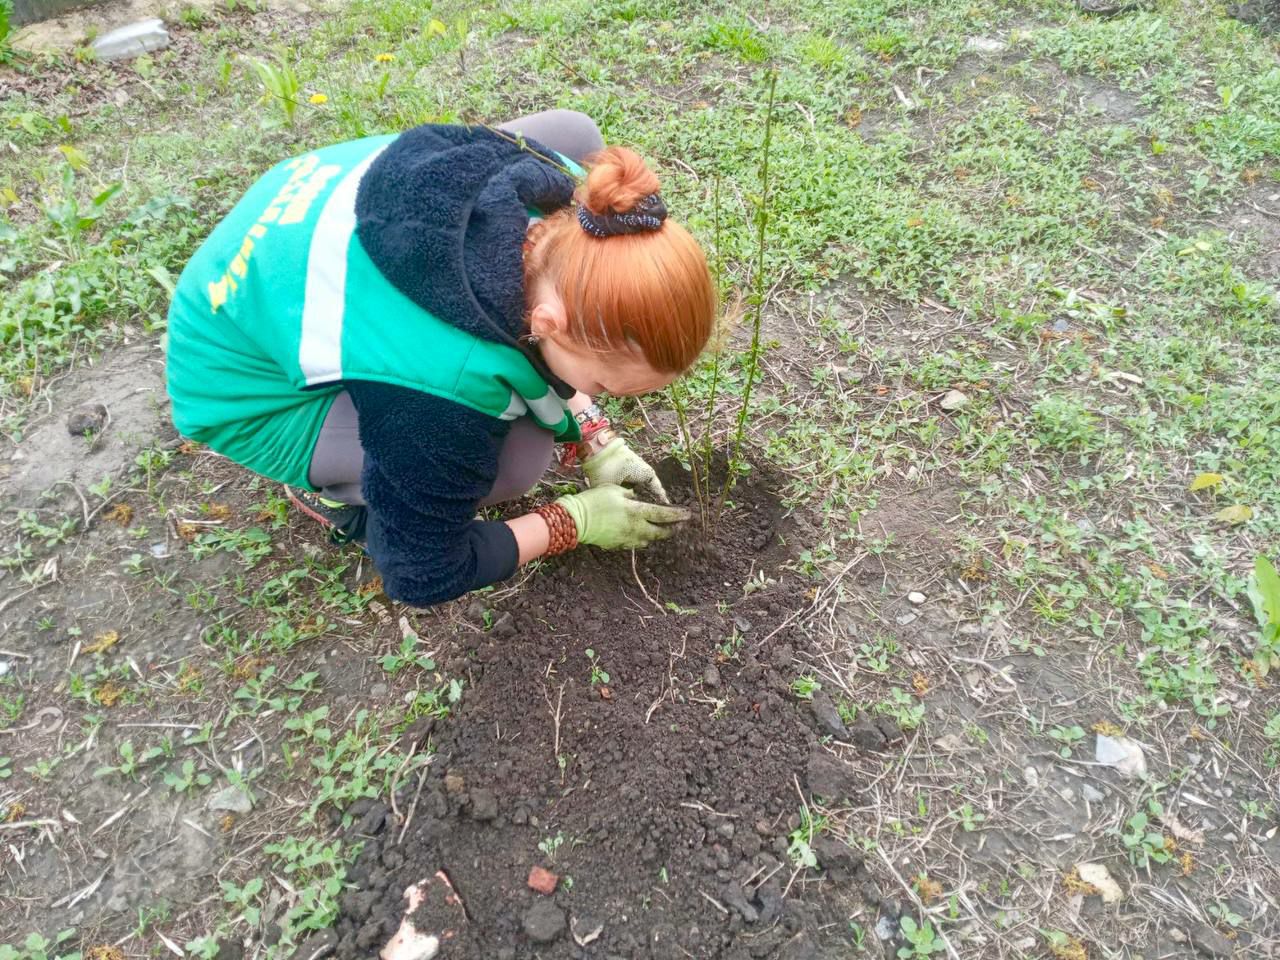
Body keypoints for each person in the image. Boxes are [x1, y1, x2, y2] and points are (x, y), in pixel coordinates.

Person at [165, 110, 718, 606]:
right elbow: (423, 574)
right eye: (608, 389)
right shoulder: (444, 391)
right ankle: (346, 497)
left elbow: (555, 363)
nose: (601, 401)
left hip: (289, 236)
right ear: (545, 323)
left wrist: (596, 436)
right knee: (518, 460)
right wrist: (574, 520)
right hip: (243, 382)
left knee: (574, 131)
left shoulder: (552, 186)